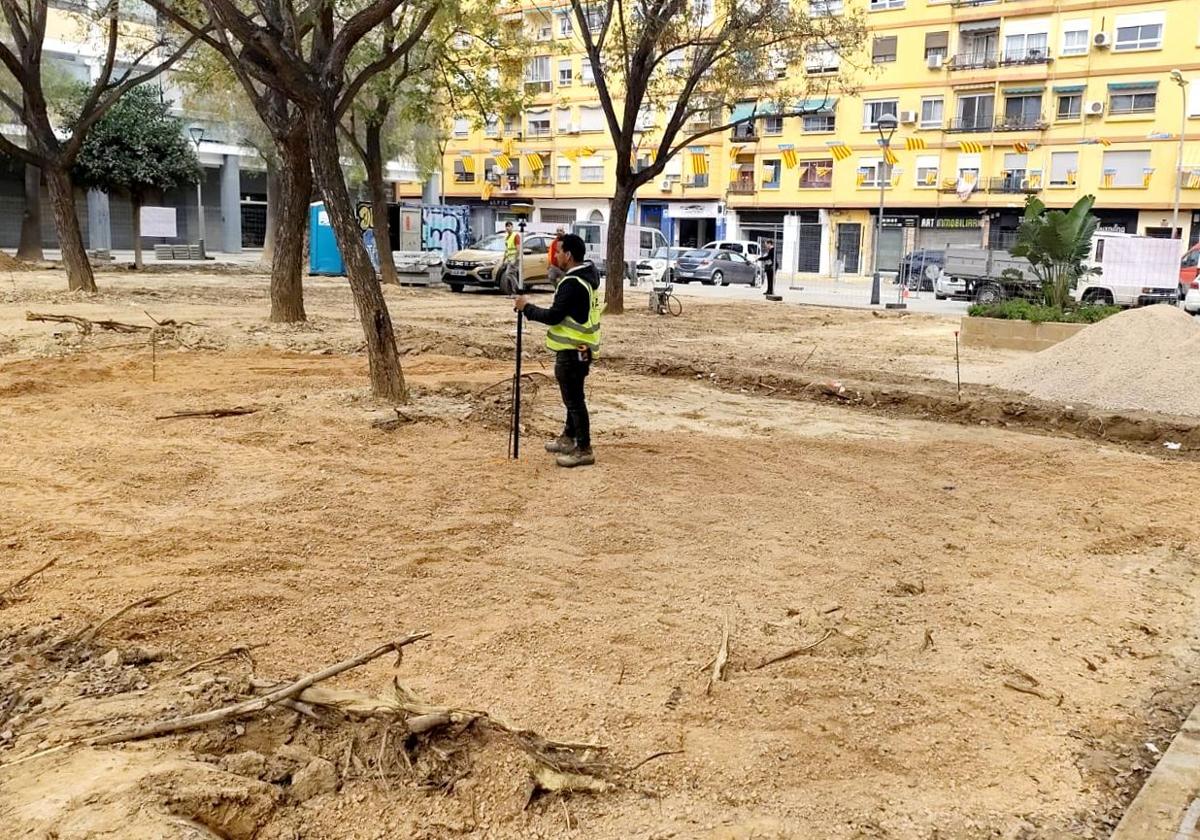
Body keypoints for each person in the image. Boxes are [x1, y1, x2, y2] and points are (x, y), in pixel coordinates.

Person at [513, 233, 600, 468]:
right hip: (582, 349)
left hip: (572, 350)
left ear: (569, 255)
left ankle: (583, 448)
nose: (556, 256)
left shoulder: (572, 283)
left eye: (559, 252)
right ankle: (568, 437)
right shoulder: (586, 278)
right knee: (574, 398)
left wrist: (526, 308)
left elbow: (553, 316)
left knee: (574, 400)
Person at [502, 220, 521, 286]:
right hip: (509, 259)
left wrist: (514, 260)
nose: (507, 228)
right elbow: (507, 250)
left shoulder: (515, 236)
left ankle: (517, 287)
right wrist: (504, 260)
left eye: (509, 226)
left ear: (512, 227)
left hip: (514, 259)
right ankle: (513, 293)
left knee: (508, 273)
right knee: (511, 275)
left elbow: (518, 249)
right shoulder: (507, 237)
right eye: (506, 226)